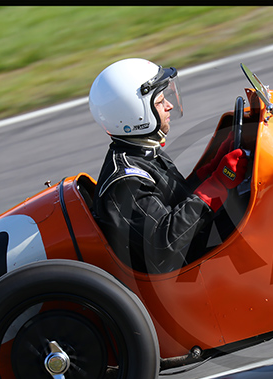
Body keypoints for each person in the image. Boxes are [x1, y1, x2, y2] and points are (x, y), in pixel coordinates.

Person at [89, 58, 247, 273]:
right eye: (159, 101)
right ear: (136, 114)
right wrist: (217, 185)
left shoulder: (141, 153)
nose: (169, 105)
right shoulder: (126, 181)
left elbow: (178, 200)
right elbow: (164, 243)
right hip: (186, 275)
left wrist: (213, 168)